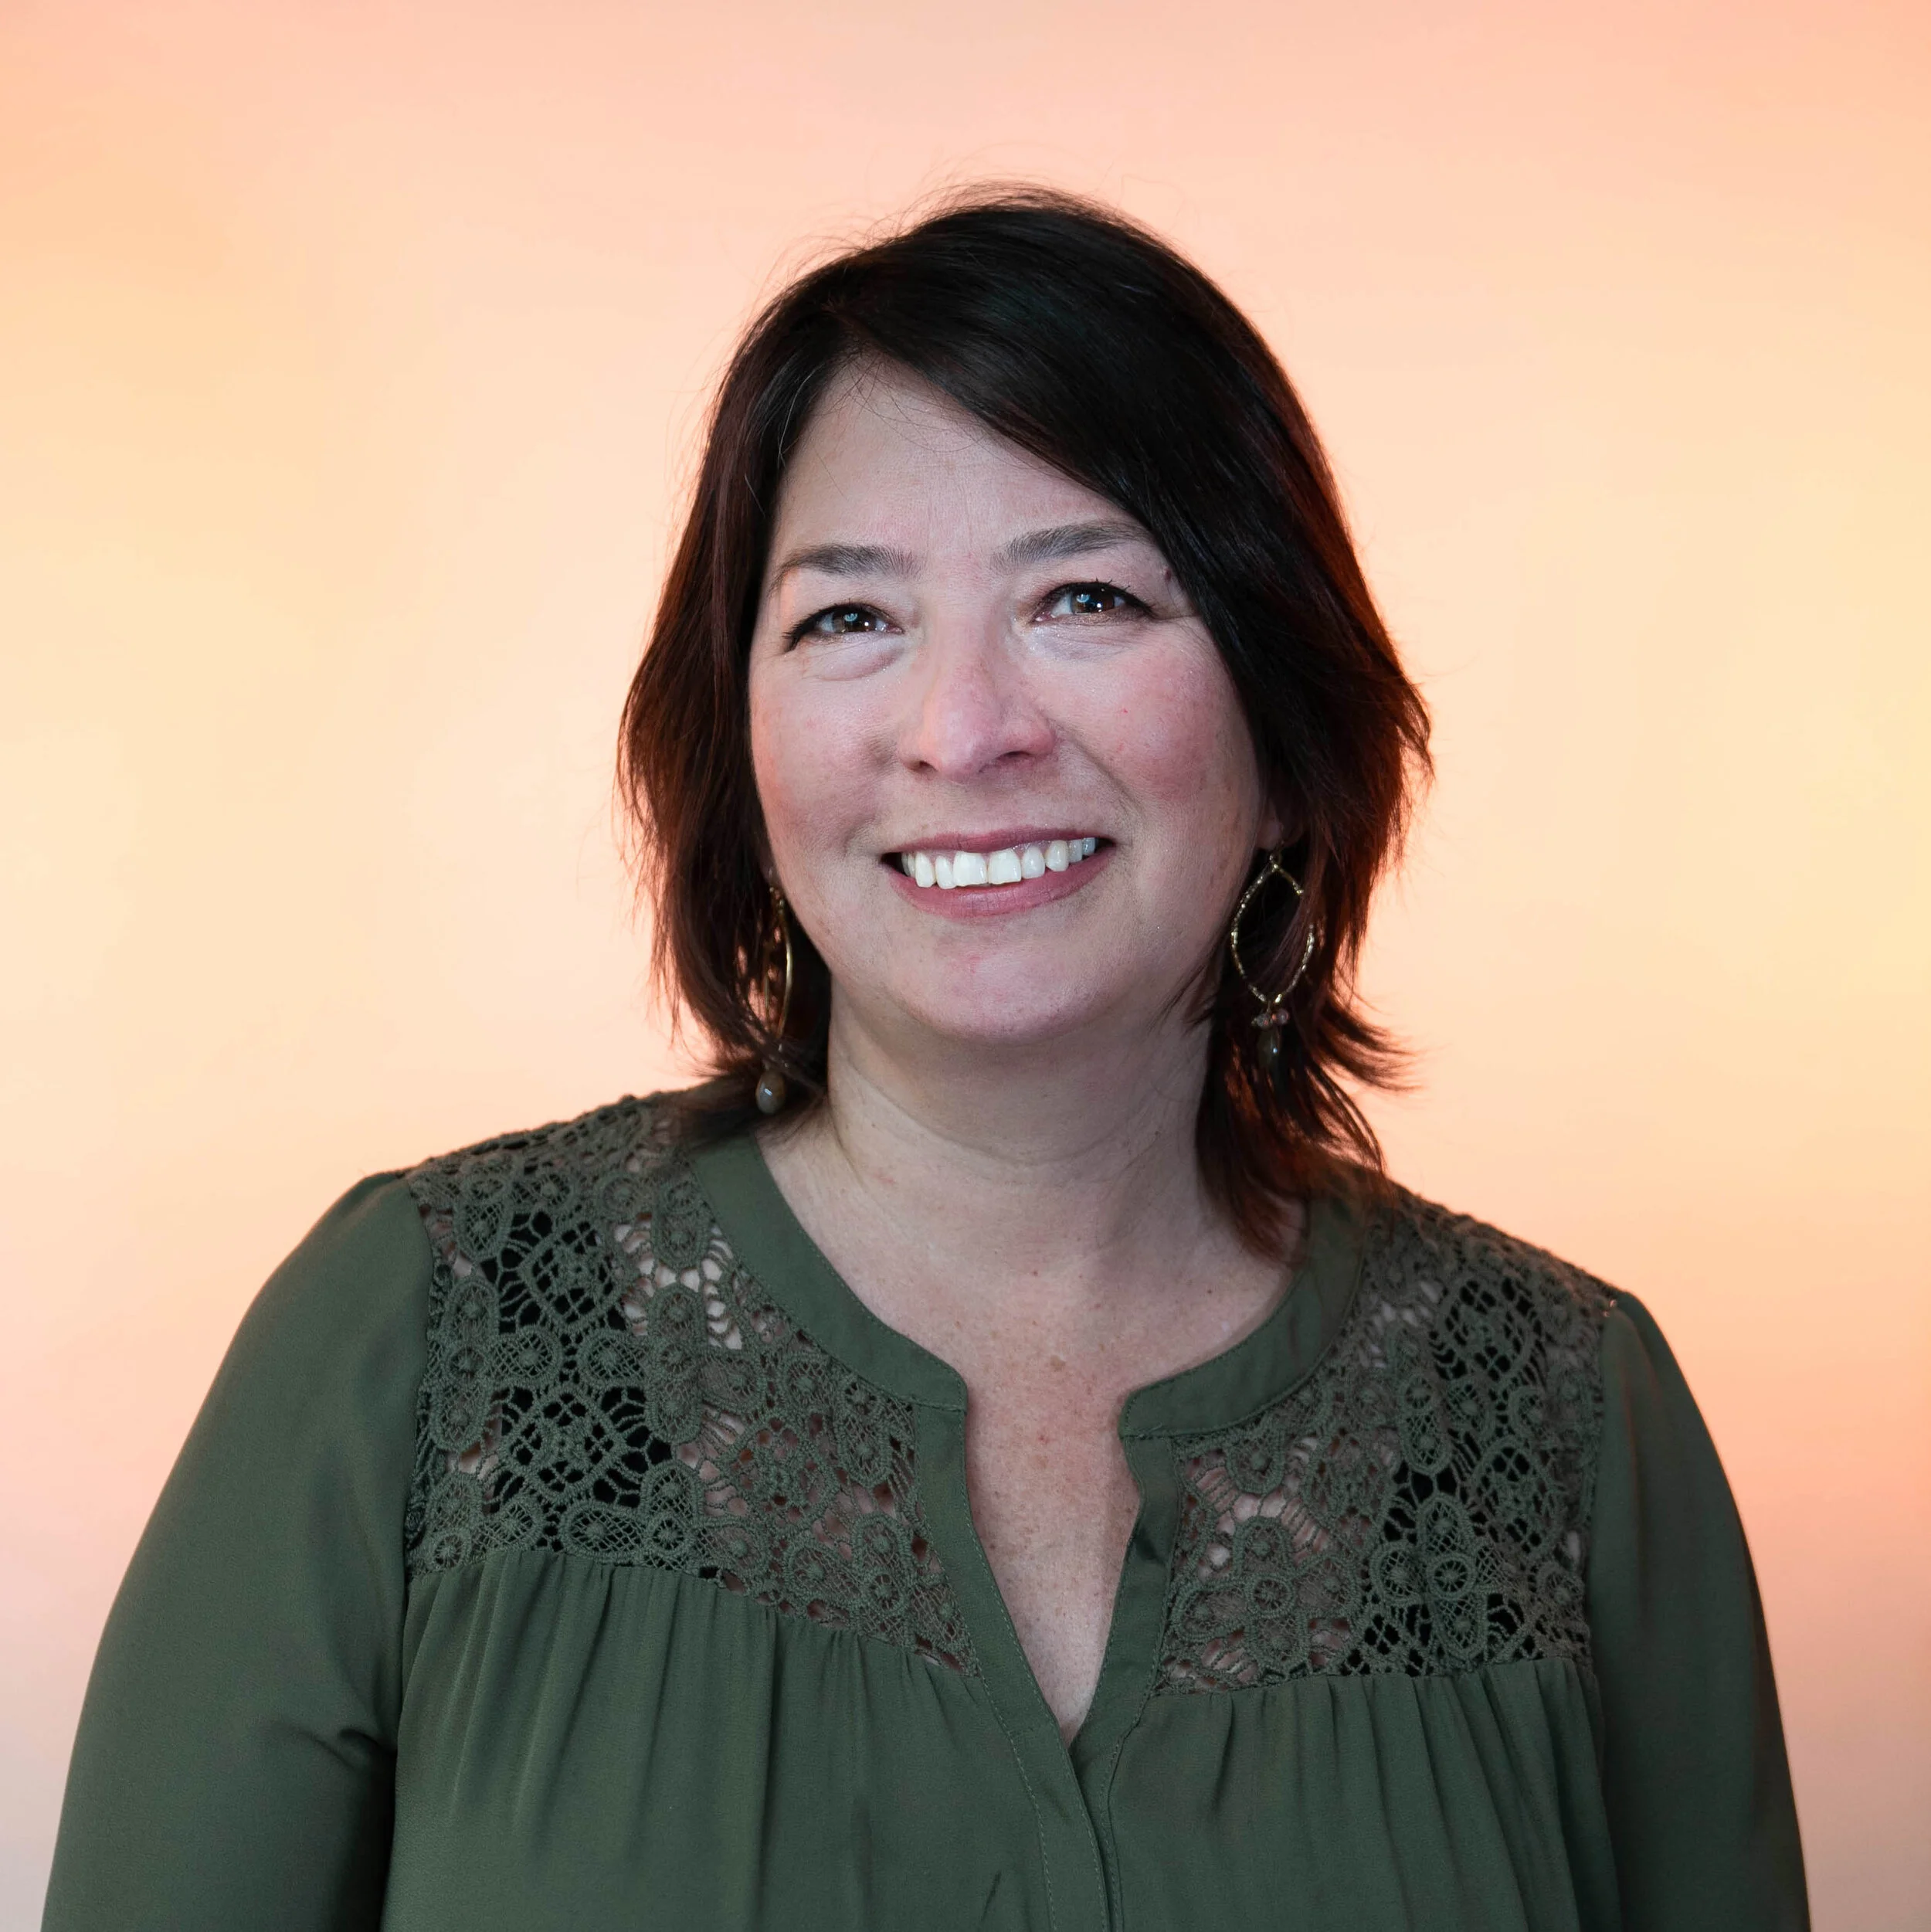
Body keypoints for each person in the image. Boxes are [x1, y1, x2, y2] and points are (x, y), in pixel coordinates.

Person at [42, 189, 1808, 1932]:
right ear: (738, 745)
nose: (963, 730)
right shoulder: (419, 1338)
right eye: (846, 618)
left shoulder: (1574, 1423)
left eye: (1090, 599)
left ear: (1286, 730)